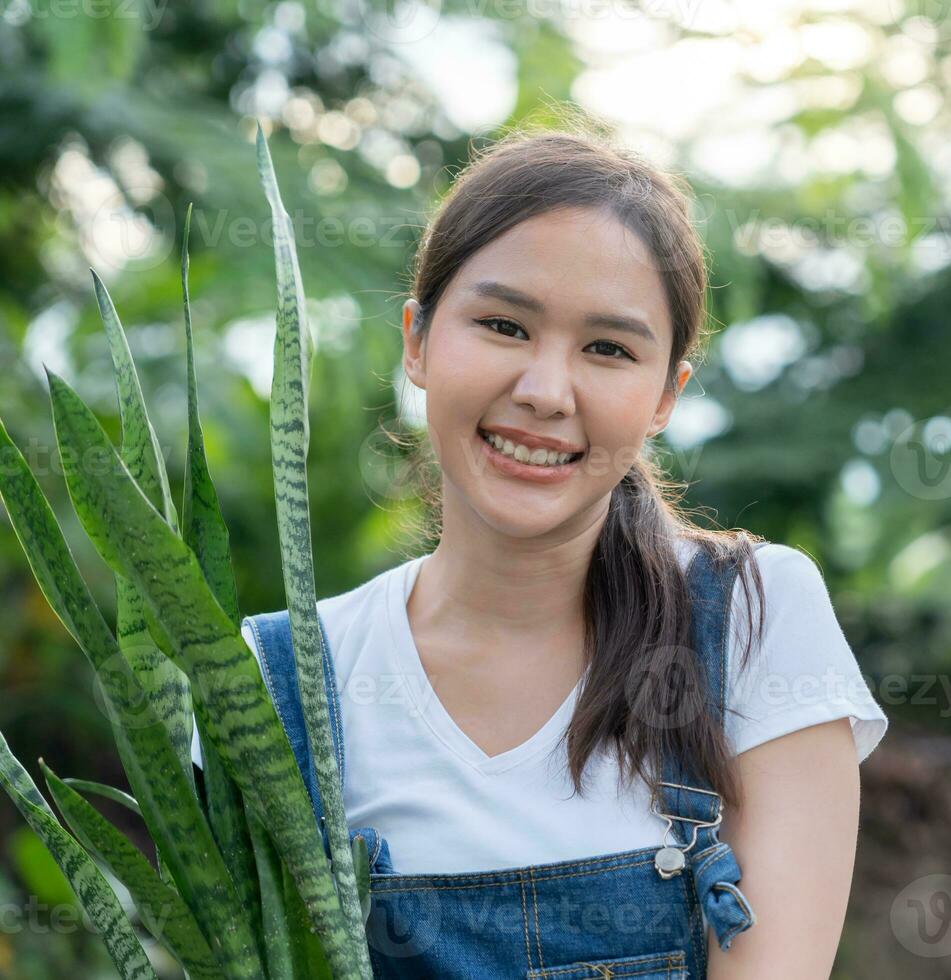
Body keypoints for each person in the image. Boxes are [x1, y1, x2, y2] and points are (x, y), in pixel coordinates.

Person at [192, 115, 887, 979]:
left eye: (607, 348)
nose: (546, 392)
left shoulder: (751, 617)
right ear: (417, 339)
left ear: (666, 395)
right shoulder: (280, 684)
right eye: (505, 327)